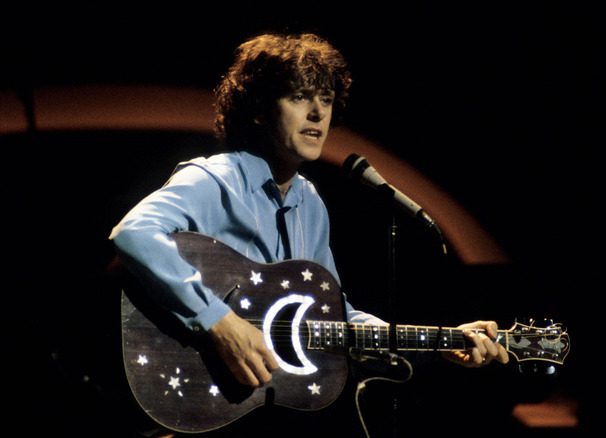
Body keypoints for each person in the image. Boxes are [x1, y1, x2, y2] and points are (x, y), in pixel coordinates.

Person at [110, 33, 508, 435]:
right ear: (259, 110)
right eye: (299, 97)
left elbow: (333, 317)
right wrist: (220, 322)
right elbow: (134, 231)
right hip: (192, 396)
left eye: (327, 100)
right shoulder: (216, 179)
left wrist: (442, 343)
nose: (317, 113)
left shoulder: (310, 202)